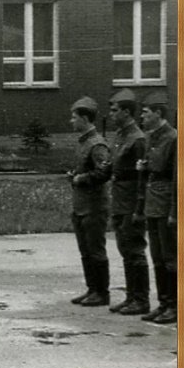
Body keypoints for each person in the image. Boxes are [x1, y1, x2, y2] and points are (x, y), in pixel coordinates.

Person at [107, 88, 150, 315]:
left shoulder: (138, 139)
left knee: (134, 249)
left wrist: (139, 208)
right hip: (120, 200)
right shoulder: (122, 135)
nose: (112, 114)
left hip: (132, 202)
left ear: (125, 111)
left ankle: (141, 299)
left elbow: (143, 178)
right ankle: (131, 296)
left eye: (114, 111)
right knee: (125, 248)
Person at [137, 90, 178, 325]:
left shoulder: (173, 139)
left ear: (158, 113)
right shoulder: (152, 137)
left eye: (146, 113)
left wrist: (174, 211)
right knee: (157, 257)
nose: (142, 117)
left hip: (165, 207)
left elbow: (177, 178)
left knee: (170, 258)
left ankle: (175, 305)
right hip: (153, 205)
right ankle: (163, 303)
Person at [67, 96, 112, 307]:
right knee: (85, 250)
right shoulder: (84, 142)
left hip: (94, 206)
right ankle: (92, 288)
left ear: (85, 118)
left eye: (74, 118)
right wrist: (74, 175)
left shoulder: (97, 144)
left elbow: (104, 172)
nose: (71, 121)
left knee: (95, 250)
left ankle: (102, 292)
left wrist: (81, 178)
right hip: (81, 205)